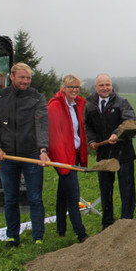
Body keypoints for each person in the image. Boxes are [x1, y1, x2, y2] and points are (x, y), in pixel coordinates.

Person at [0, 63, 49, 248]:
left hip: (32, 156)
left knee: (35, 198)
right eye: (22, 77)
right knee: (10, 198)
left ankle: (38, 238)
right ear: (12, 77)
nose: (25, 81)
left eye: (28, 78)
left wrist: (43, 151)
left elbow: (42, 126)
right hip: (8, 157)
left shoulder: (37, 98)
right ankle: (12, 237)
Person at [85, 74, 136, 230]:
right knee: (105, 188)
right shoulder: (90, 105)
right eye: (101, 85)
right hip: (104, 155)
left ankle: (126, 222)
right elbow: (88, 126)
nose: (105, 88)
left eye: (107, 84)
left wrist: (116, 133)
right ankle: (107, 224)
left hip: (123, 153)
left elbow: (129, 121)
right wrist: (92, 141)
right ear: (96, 87)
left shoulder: (122, 102)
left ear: (111, 86)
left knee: (126, 189)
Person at [47, 75, 89, 243]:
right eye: (71, 87)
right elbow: (54, 138)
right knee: (73, 195)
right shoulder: (55, 107)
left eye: (77, 87)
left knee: (63, 192)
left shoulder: (76, 105)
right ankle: (81, 234)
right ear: (63, 88)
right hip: (63, 156)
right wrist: (63, 164)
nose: (74, 90)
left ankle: (61, 228)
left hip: (75, 153)